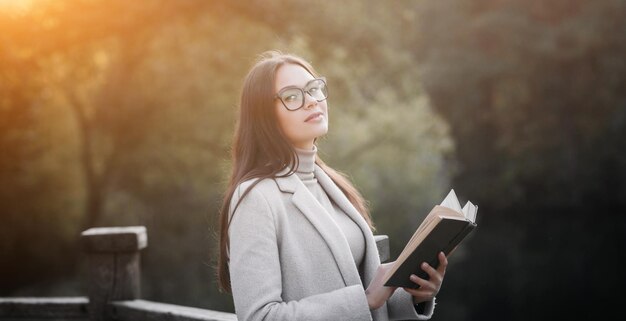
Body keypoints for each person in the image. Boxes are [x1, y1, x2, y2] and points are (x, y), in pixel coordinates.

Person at [216, 50, 448, 321]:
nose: (312, 101)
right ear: (264, 115)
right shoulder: (255, 198)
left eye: (314, 89)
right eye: (292, 96)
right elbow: (260, 317)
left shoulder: (332, 184)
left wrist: (416, 295)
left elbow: (369, 297)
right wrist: (364, 300)